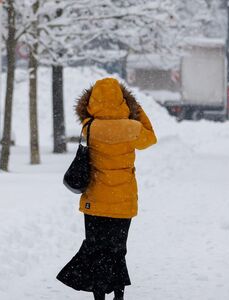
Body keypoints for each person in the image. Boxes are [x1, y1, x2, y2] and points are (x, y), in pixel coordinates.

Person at [70, 78, 157, 300]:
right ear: (122, 100)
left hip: (95, 200)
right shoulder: (133, 128)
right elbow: (151, 138)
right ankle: (119, 294)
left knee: (97, 249)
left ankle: (99, 295)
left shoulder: (89, 127)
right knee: (118, 250)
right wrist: (136, 108)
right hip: (123, 200)